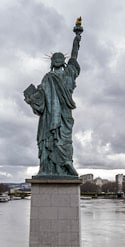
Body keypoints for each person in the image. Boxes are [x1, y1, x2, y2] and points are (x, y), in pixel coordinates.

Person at [24, 18, 83, 177]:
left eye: (59, 58)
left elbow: (74, 57)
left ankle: (63, 165)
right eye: (55, 58)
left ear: (61, 62)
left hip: (60, 116)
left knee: (60, 141)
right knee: (55, 141)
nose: (57, 60)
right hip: (53, 117)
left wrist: (77, 39)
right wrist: (32, 98)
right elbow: (41, 99)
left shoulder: (62, 74)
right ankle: (50, 168)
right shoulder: (50, 77)